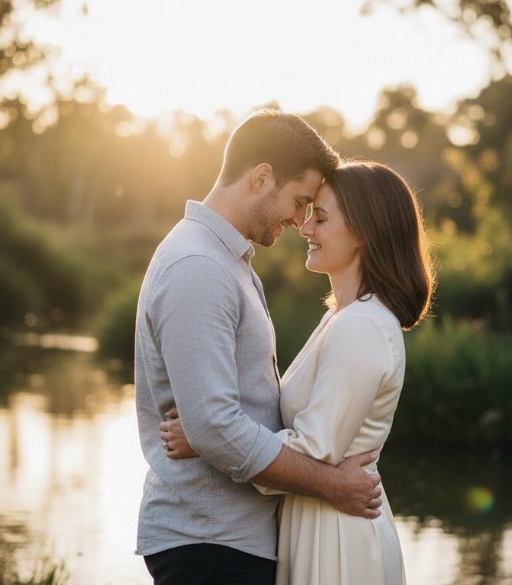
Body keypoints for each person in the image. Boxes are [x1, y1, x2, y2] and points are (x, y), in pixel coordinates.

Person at [134, 110, 385, 585]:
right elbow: (213, 424)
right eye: (299, 201)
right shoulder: (198, 267)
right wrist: (334, 486)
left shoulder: (228, 263)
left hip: (229, 539)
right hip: (208, 543)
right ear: (262, 177)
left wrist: (207, 436)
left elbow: (219, 420)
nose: (300, 219)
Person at [162, 160, 435, 585]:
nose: (305, 229)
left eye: (321, 219)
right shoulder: (340, 318)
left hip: (337, 536)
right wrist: (213, 428)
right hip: (315, 520)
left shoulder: (361, 326)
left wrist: (206, 437)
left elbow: (314, 450)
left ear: (364, 233)